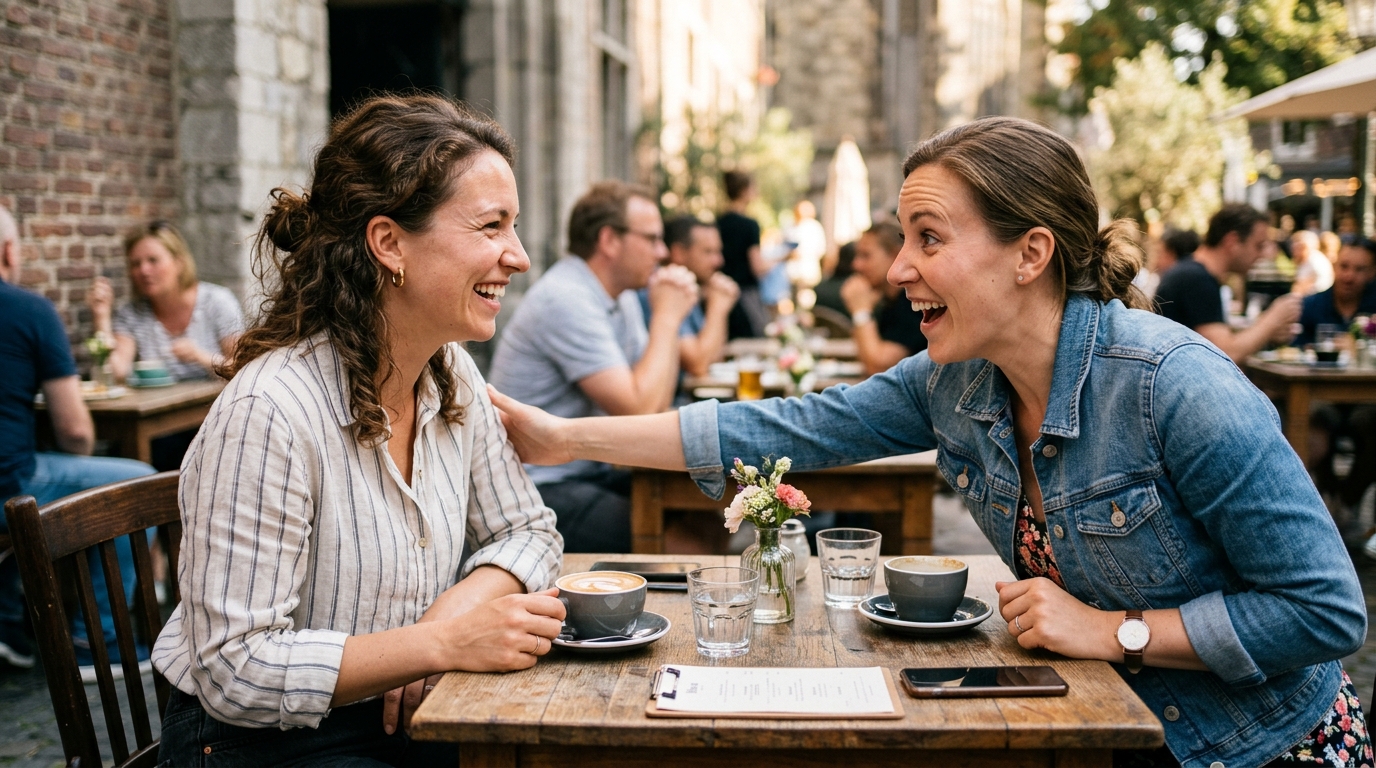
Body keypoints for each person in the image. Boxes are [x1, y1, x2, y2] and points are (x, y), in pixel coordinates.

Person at [489, 117, 1371, 768]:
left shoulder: (1175, 385)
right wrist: (556, 432)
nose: (899, 266)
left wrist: (1118, 631)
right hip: (1106, 726)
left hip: (1259, 747)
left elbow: (1326, 612)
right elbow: (782, 427)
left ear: (1031, 253)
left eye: (928, 239)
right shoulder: (957, 379)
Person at [152, 94, 565, 766]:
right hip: (259, 744)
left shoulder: (448, 370)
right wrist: (439, 647)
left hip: (405, 713)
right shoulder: (270, 409)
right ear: (389, 243)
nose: (516, 256)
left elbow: (528, 530)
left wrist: (446, 621)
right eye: (491, 226)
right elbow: (235, 668)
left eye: (512, 227)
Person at [487, 182, 698, 554]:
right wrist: (667, 318)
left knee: (708, 511)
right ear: (609, 240)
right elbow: (638, 408)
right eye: (651, 239)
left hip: (589, 467)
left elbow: (655, 398)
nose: (662, 253)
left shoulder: (621, 295)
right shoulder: (566, 297)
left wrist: (666, 317)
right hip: (538, 483)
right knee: (688, 544)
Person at [0, 204, 155, 680]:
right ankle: (98, 643)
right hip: (10, 488)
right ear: (9, 252)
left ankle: (9, 623)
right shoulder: (28, 310)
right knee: (139, 486)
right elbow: (77, 433)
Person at [88, 221, 244, 383]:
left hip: (214, 405)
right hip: (159, 406)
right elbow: (116, 372)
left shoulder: (217, 302)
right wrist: (101, 317)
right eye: (136, 264)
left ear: (179, 263)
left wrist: (200, 356)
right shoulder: (131, 314)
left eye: (153, 260)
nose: (144, 271)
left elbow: (240, 369)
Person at [1154, 204, 1301, 364]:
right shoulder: (1196, 279)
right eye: (1258, 246)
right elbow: (1225, 353)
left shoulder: (1193, 273)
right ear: (1232, 242)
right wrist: (1272, 319)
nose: (1261, 255)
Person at [654, 214, 740, 378]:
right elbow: (698, 364)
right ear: (678, 253)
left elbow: (713, 358)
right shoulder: (664, 288)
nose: (719, 261)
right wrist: (717, 308)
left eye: (718, 251)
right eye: (708, 252)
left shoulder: (691, 288)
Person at [839, 221, 927, 374]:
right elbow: (866, 358)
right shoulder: (889, 302)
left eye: (866, 256)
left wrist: (861, 312)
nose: (856, 265)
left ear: (895, 256)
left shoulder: (913, 303)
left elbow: (877, 366)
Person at [718, 170, 773, 338]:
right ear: (743, 191)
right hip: (746, 296)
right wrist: (781, 259)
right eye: (753, 187)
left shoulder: (718, 223)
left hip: (722, 293)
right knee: (757, 339)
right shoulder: (749, 225)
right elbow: (758, 267)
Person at [1295, 239, 1376, 347]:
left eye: (1359, 269)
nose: (1349, 276)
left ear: (1372, 273)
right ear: (1333, 266)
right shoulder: (1309, 306)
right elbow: (1294, 351)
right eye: (1344, 266)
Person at [1291, 229, 1335, 296]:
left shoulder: (1315, 261)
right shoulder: (1307, 260)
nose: (1295, 252)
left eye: (1298, 248)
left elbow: (1299, 289)